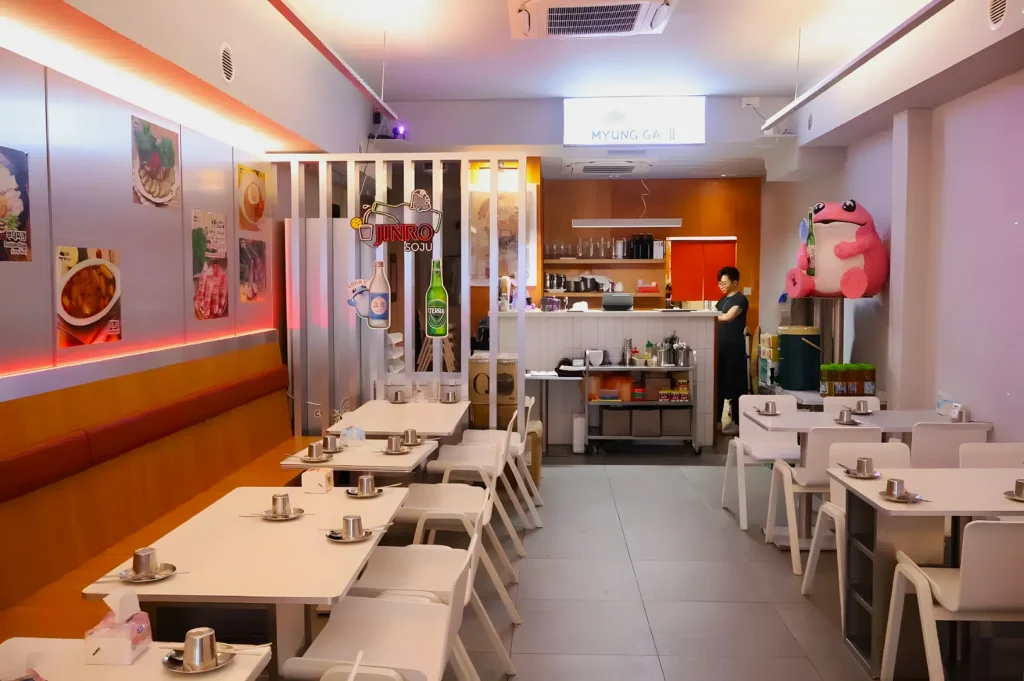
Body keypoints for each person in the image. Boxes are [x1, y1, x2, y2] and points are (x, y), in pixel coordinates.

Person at [715, 266, 749, 435]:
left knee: (735, 385)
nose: (721, 285)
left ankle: (737, 423)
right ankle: (717, 422)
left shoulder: (741, 299)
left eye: (724, 283)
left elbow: (728, 317)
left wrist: (709, 317)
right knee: (719, 384)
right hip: (720, 348)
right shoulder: (722, 300)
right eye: (719, 283)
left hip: (735, 348)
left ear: (734, 282)